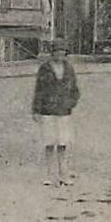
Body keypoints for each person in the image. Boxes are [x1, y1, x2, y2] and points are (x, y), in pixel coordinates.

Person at [31, 41, 80, 187]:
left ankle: (63, 174)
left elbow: (75, 89)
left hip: (64, 111)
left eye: (62, 51)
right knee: (49, 143)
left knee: (63, 143)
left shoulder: (69, 68)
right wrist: (36, 110)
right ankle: (49, 175)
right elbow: (39, 90)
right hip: (48, 111)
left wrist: (70, 103)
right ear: (52, 53)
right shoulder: (45, 68)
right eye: (57, 51)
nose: (60, 54)